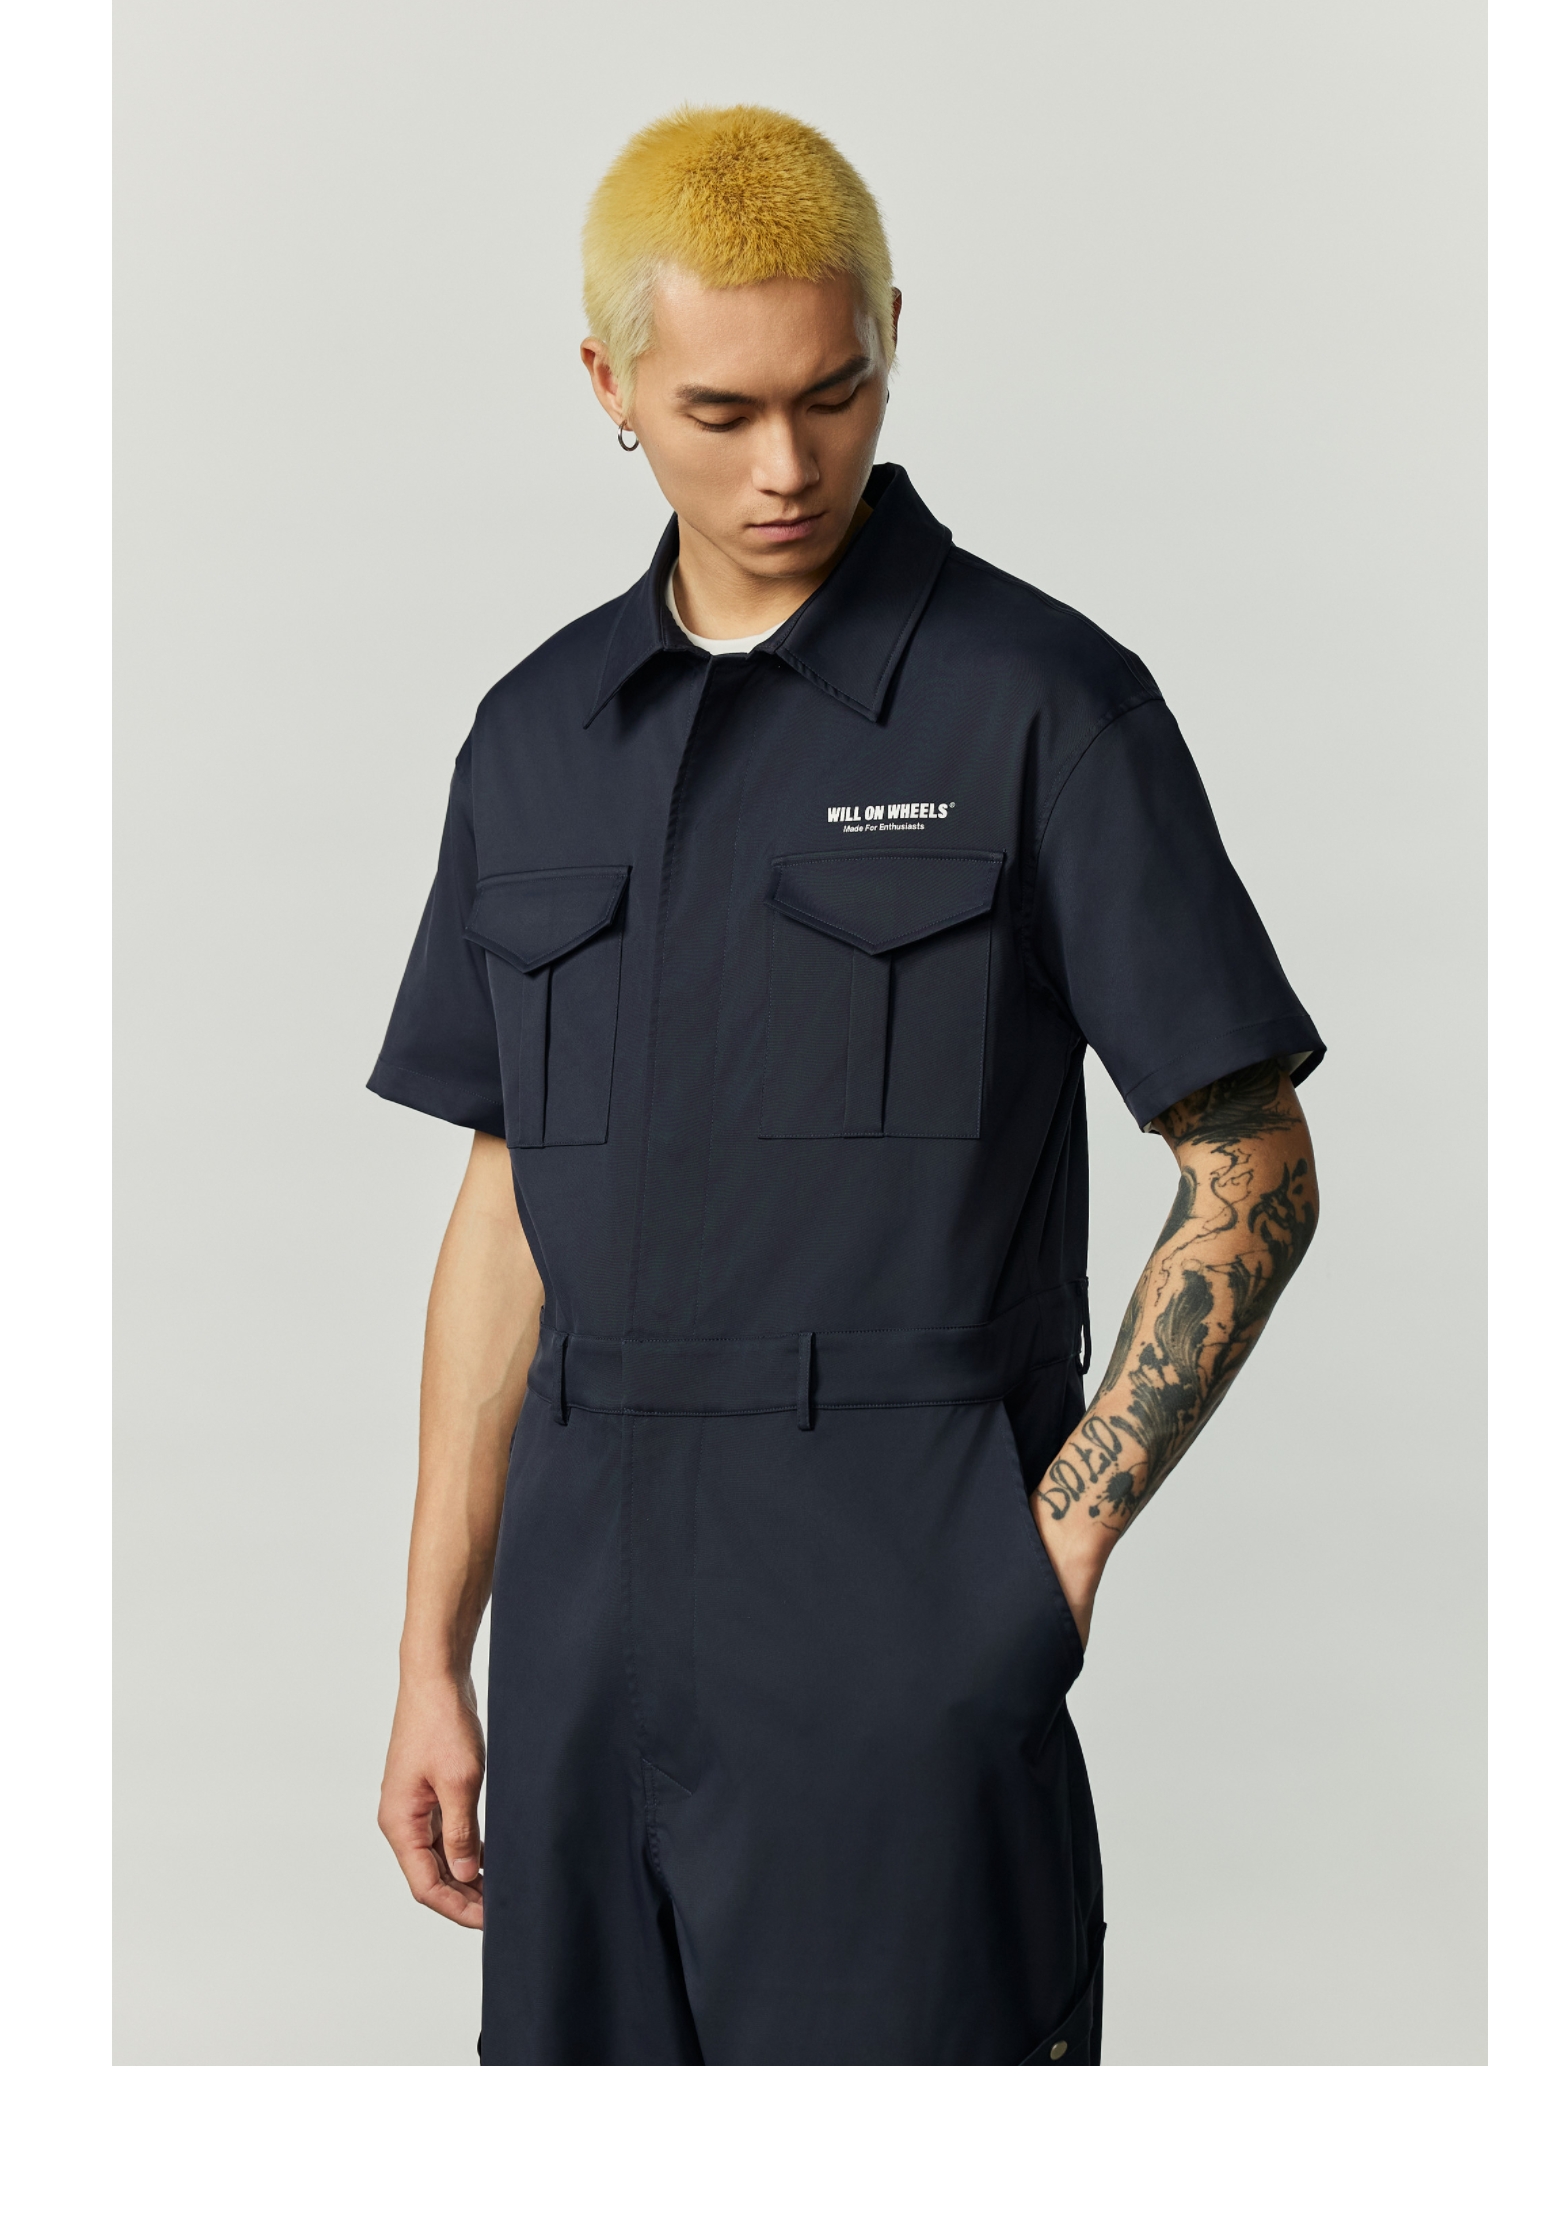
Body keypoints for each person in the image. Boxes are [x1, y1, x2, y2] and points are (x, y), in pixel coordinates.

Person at [371, 105, 1323, 2066]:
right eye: (718, 412)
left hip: (900, 1617)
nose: (786, 467)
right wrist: (431, 1657)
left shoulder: (1042, 705)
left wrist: (1043, 1554)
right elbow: (507, 1211)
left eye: (835, 393)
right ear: (607, 384)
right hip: (579, 1643)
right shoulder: (534, 739)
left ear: (893, 336)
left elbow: (1252, 1159)